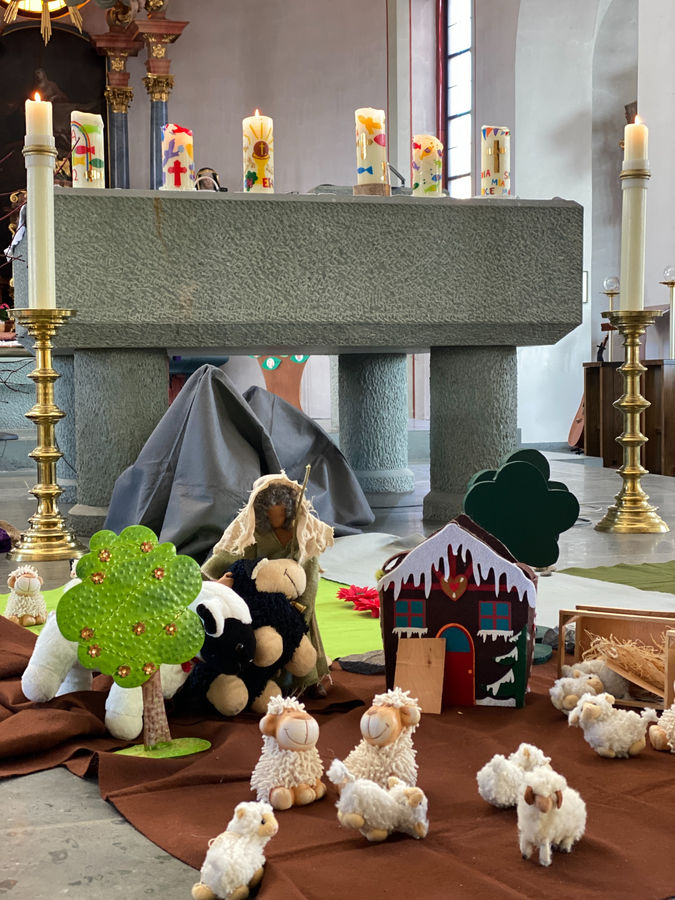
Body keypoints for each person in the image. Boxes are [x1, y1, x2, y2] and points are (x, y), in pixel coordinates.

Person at [202, 471, 333, 695]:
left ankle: (309, 680)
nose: (276, 520)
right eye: (271, 513)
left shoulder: (303, 532)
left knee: (303, 636)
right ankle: (266, 681)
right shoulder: (253, 531)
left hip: (295, 595)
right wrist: (209, 579)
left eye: (281, 513)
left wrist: (303, 606)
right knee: (265, 641)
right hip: (262, 597)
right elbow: (230, 556)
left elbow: (310, 573)